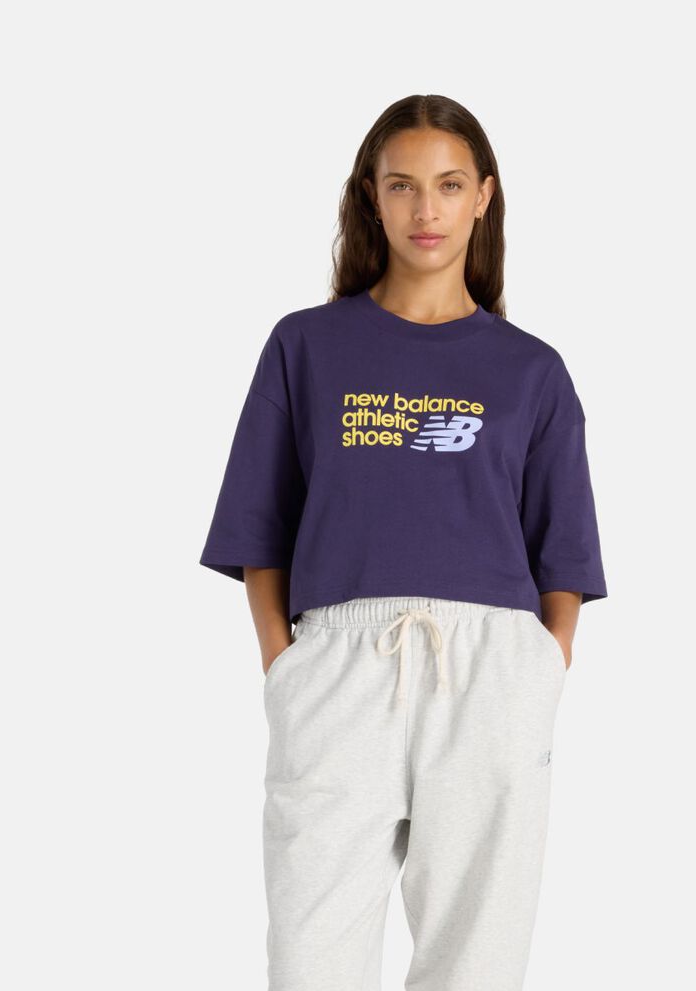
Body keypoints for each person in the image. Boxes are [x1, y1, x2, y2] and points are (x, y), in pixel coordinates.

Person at [199, 93, 608, 991]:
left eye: (449, 185)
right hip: (339, 665)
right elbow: (259, 525)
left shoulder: (531, 370)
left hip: (491, 673)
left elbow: (565, 547)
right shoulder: (306, 346)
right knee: (311, 955)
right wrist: (284, 665)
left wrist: (543, 663)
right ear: (371, 197)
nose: (427, 210)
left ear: (482, 197)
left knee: (477, 959)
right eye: (402, 185)